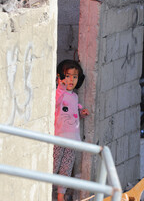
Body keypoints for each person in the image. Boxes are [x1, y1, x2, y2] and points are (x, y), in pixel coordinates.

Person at [53, 59, 89, 201]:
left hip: (73, 139)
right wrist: (60, 88)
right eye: (67, 76)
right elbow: (55, 104)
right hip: (59, 138)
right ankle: (45, 188)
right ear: (59, 77)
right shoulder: (59, 93)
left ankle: (60, 195)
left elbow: (71, 115)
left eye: (75, 77)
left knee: (66, 168)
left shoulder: (75, 97)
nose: (71, 80)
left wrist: (81, 114)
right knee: (54, 165)